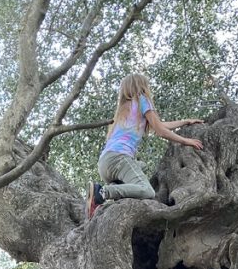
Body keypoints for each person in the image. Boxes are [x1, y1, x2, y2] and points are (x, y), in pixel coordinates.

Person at [86, 72, 203, 217]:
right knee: (147, 190)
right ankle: (103, 192)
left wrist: (184, 121)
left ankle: (107, 195)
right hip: (119, 158)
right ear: (141, 86)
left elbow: (158, 125)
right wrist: (187, 141)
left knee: (141, 165)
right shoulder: (143, 99)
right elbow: (160, 131)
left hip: (105, 163)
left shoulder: (123, 110)